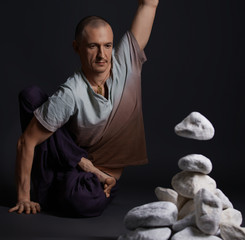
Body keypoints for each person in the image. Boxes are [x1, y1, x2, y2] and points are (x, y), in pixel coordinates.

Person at [9, 0, 159, 217]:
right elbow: (26, 141)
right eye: (92, 46)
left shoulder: (125, 62)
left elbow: (149, 5)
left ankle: (64, 184)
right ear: (76, 47)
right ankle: (59, 182)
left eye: (107, 45)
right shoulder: (71, 93)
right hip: (74, 170)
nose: (102, 55)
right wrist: (23, 197)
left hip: (101, 181)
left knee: (33, 98)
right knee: (32, 97)